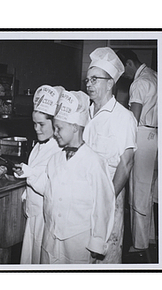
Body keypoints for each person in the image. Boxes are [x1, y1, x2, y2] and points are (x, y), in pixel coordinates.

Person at [27, 89, 115, 264]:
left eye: (59, 128)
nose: (56, 132)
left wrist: (97, 242)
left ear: (75, 127)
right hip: (50, 238)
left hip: (78, 242)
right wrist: (28, 174)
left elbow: (103, 205)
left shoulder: (93, 162)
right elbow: (47, 189)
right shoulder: (55, 159)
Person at [83, 47, 138, 263]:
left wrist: (106, 199)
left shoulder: (123, 118)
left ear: (109, 83)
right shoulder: (85, 113)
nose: (88, 85)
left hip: (110, 195)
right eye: (87, 80)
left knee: (105, 256)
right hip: (83, 195)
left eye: (94, 79)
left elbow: (126, 164)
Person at [13, 85, 62, 264]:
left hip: (45, 217)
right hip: (33, 214)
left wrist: (29, 173)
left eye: (41, 124)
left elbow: (51, 187)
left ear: (56, 123)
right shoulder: (38, 146)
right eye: (34, 123)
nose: (37, 129)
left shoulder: (58, 149)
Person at [116, 49, 158, 251]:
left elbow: (133, 118)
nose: (122, 74)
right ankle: (149, 238)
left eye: (122, 68)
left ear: (129, 63)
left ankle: (140, 245)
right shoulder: (155, 76)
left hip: (142, 136)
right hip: (156, 135)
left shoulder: (139, 83)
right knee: (149, 191)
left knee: (139, 192)